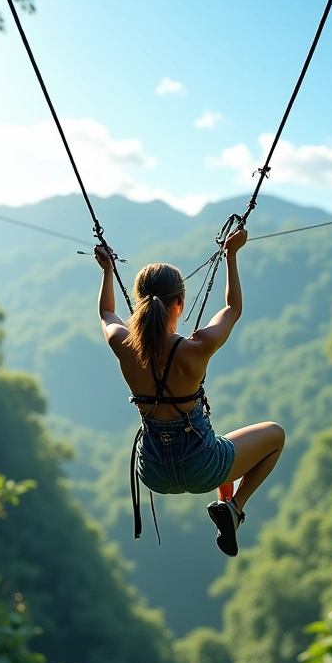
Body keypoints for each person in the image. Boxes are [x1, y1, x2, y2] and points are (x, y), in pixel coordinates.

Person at [95, 228, 284, 556]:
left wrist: (107, 271)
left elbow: (107, 314)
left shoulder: (123, 345)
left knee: (223, 443)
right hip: (202, 467)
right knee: (275, 435)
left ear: (141, 304)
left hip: (152, 471)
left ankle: (228, 502)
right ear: (179, 303)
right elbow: (233, 308)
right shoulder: (197, 347)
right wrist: (232, 255)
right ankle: (234, 507)